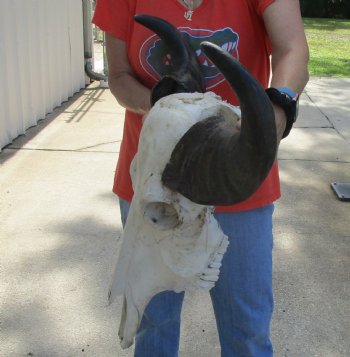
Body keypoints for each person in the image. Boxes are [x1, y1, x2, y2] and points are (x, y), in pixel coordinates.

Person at [92, 0, 309, 356]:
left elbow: (292, 48)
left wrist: (279, 105)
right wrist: (160, 104)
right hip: (154, 182)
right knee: (153, 324)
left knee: (247, 330)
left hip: (238, 181)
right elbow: (118, 77)